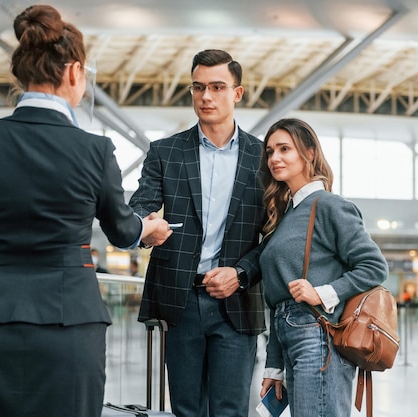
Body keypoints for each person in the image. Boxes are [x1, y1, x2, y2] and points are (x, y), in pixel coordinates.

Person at [0, 5, 171, 417]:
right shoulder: (95, 150)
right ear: (74, 72)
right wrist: (144, 230)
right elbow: (119, 228)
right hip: (71, 324)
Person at [129, 49, 267, 417]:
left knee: (231, 409)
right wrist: (146, 227)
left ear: (237, 93)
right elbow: (140, 206)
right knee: (186, 409)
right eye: (198, 87)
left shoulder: (264, 157)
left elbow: (274, 236)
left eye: (217, 87)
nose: (206, 96)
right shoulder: (165, 152)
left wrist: (240, 274)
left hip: (236, 301)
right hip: (181, 299)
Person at [258, 118, 388, 417]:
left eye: (284, 149)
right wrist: (274, 367)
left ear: (310, 153)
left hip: (319, 336)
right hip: (290, 334)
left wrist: (322, 292)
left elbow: (374, 266)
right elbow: (279, 299)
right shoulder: (285, 215)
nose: (274, 158)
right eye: (270, 151)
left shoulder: (329, 205)